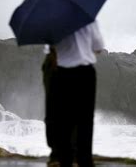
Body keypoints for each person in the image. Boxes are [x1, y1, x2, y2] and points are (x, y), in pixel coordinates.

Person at [42, 21, 104, 167]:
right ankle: (82, 159)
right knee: (85, 118)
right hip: (84, 72)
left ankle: (60, 157)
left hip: (61, 72)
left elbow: (49, 49)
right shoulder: (89, 20)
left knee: (60, 117)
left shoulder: (53, 20)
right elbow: (98, 47)